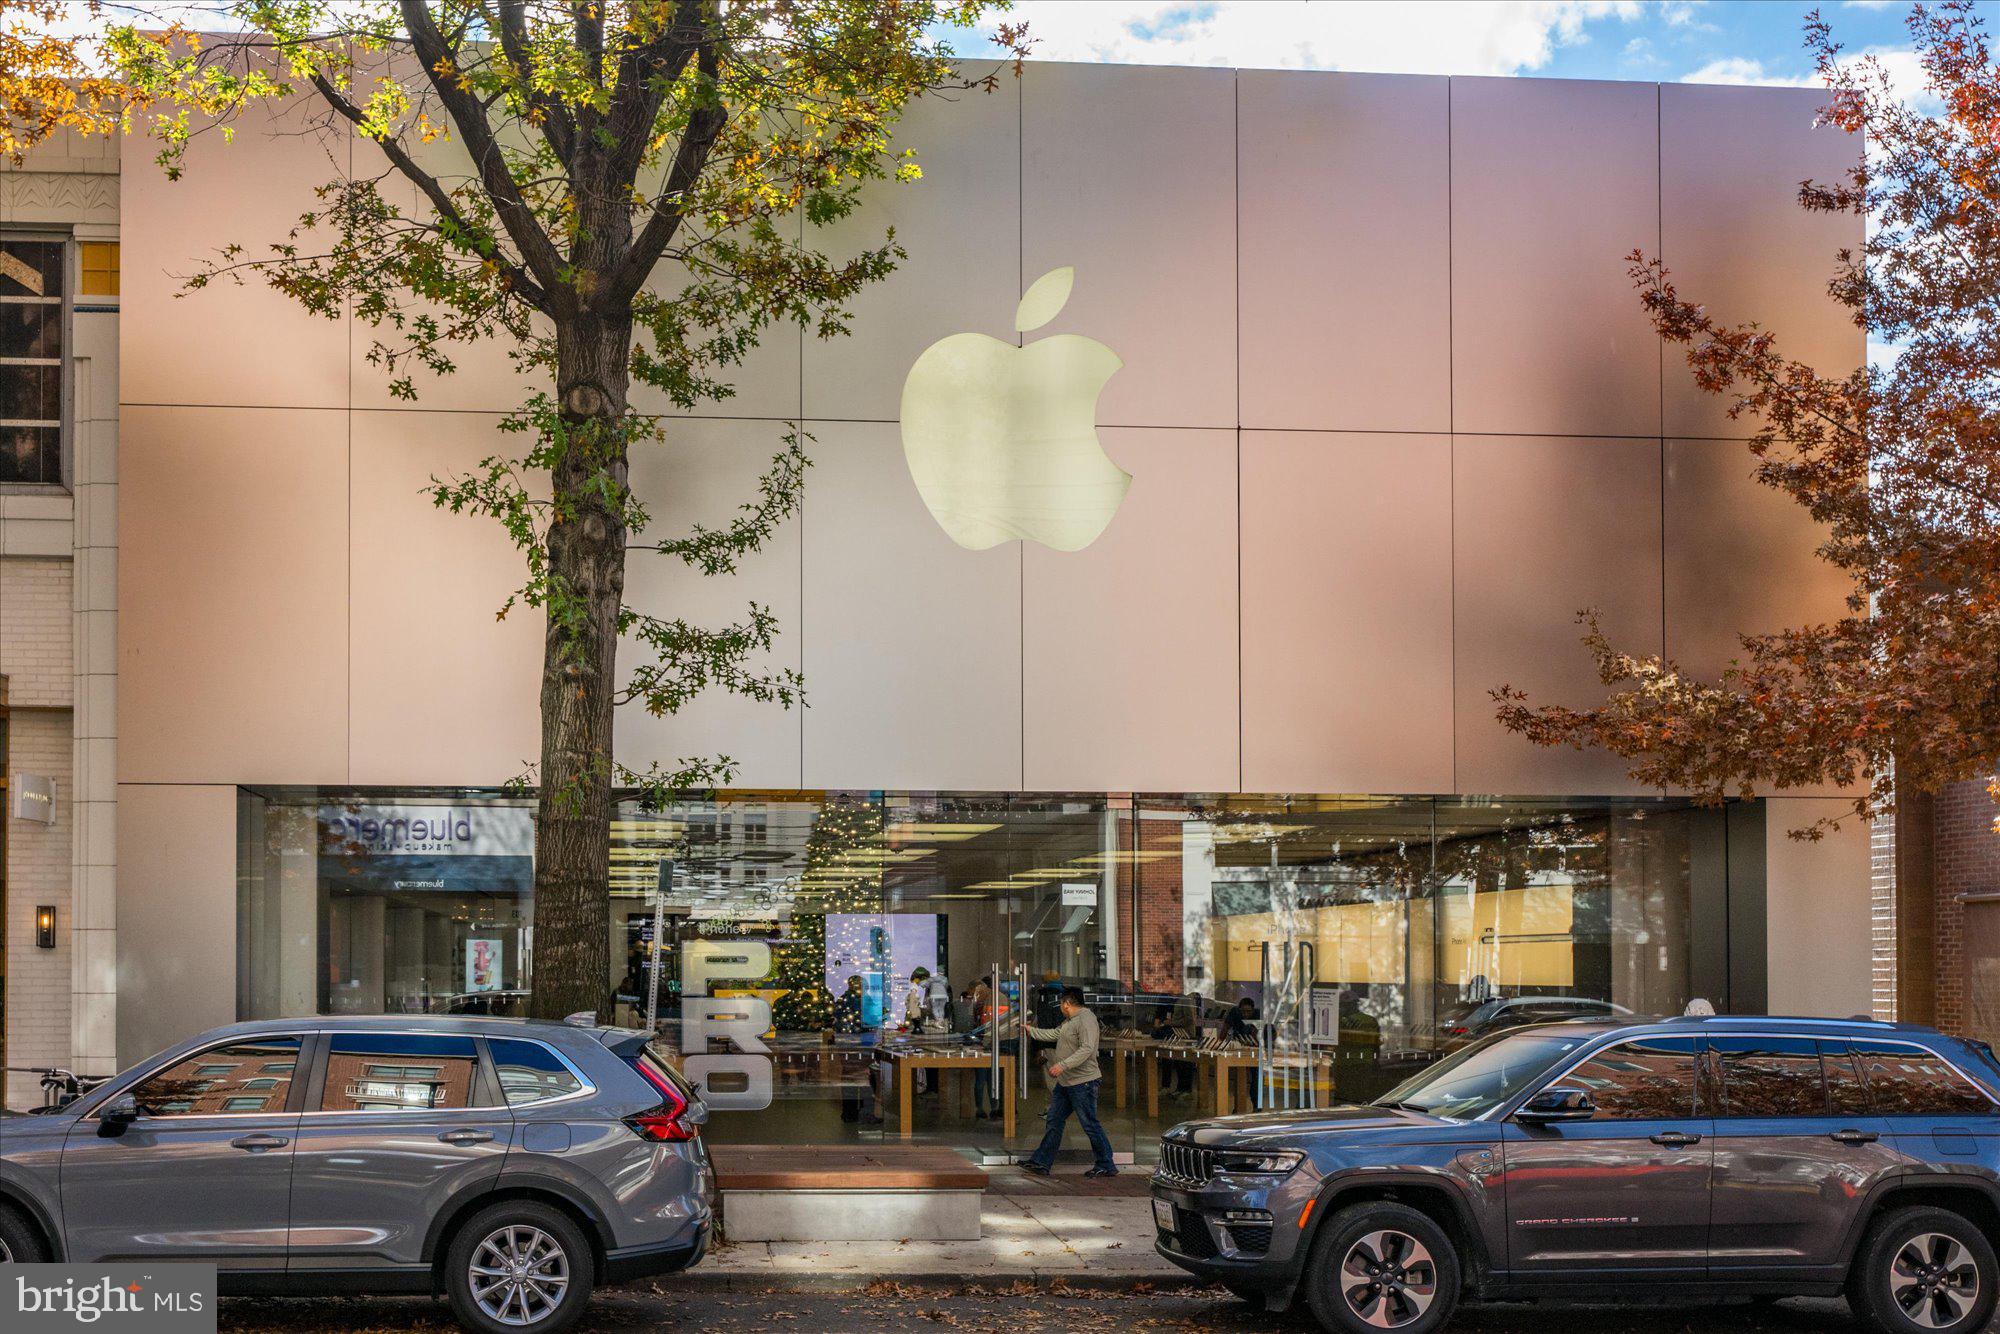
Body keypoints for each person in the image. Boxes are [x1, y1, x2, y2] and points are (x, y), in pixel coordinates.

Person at [1020, 986, 1116, 1178]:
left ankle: (1106, 1164)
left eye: (1062, 1003)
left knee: (1090, 1124)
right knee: (1054, 1121)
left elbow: (1087, 1049)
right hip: (1066, 1083)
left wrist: (1062, 1065)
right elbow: (1054, 1034)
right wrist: (1031, 1031)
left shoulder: (1086, 1019)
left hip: (1083, 1083)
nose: (1061, 1007)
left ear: (1067, 1003)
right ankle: (1041, 1161)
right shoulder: (1069, 1021)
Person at [832, 975, 881, 1125]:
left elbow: (836, 1022)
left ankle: (849, 1113)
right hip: (863, 1043)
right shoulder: (865, 1000)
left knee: (848, 1076)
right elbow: (872, 1021)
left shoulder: (841, 1000)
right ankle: (866, 1113)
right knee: (866, 1077)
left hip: (844, 1044)